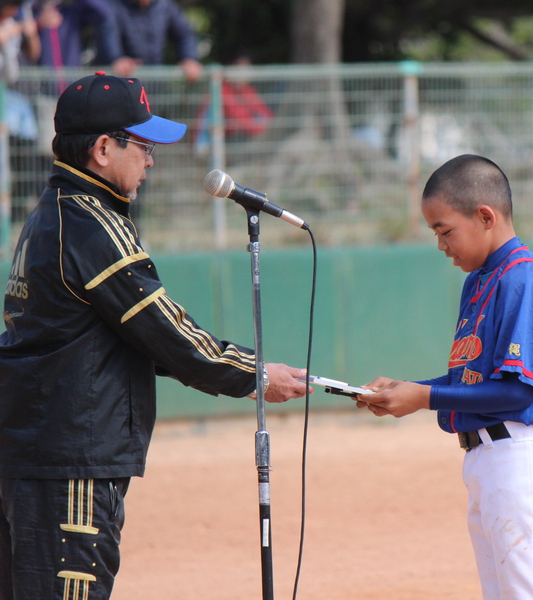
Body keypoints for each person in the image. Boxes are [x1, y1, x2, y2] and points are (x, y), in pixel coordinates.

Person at [0, 72, 310, 600]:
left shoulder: (53, 215)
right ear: (102, 148)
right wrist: (253, 373)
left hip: (38, 450)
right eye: (142, 146)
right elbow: (168, 332)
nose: (150, 159)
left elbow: (138, 334)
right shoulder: (92, 224)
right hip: (71, 458)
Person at [356, 154, 533, 600]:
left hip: (522, 456)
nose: (441, 245)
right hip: (490, 461)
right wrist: (410, 389)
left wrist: (425, 397)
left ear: (485, 216)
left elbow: (517, 388)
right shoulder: (480, 281)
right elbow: (473, 379)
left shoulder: (522, 280)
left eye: (444, 230)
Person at [103, 0, 202, 82]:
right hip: (122, 82)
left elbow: (184, 34)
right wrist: (116, 59)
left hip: (154, 83)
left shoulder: (165, 6)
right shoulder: (114, 5)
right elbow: (108, 34)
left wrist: (189, 58)